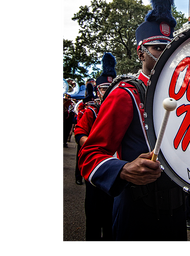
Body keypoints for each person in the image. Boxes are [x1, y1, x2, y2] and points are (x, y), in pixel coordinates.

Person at [78, 0, 187, 244]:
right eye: (157, 48)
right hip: (137, 210)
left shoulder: (183, 97)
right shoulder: (125, 93)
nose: (164, 55)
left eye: (169, 48)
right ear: (141, 52)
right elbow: (89, 155)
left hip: (176, 210)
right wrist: (123, 170)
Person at [75, 54, 117, 244]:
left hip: (113, 167)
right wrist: (94, 148)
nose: (106, 92)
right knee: (93, 214)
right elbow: (79, 132)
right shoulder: (91, 111)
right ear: (98, 91)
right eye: (103, 89)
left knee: (111, 215)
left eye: (110, 89)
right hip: (95, 166)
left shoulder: (118, 108)